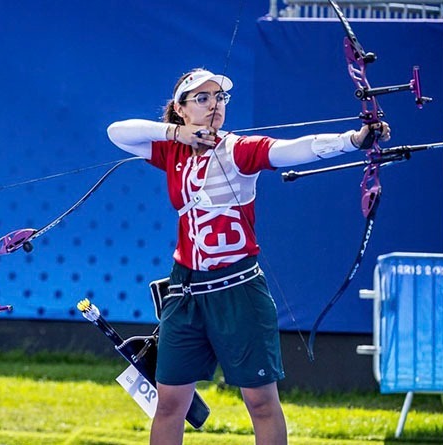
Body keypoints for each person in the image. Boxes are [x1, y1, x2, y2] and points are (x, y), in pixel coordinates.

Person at [107, 68, 391, 445]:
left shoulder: (238, 149)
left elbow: (292, 149)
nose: (214, 105)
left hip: (238, 289)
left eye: (219, 97)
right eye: (202, 98)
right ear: (181, 109)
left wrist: (353, 140)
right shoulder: (170, 150)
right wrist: (176, 133)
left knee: (260, 402)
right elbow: (117, 132)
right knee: (170, 403)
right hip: (186, 291)